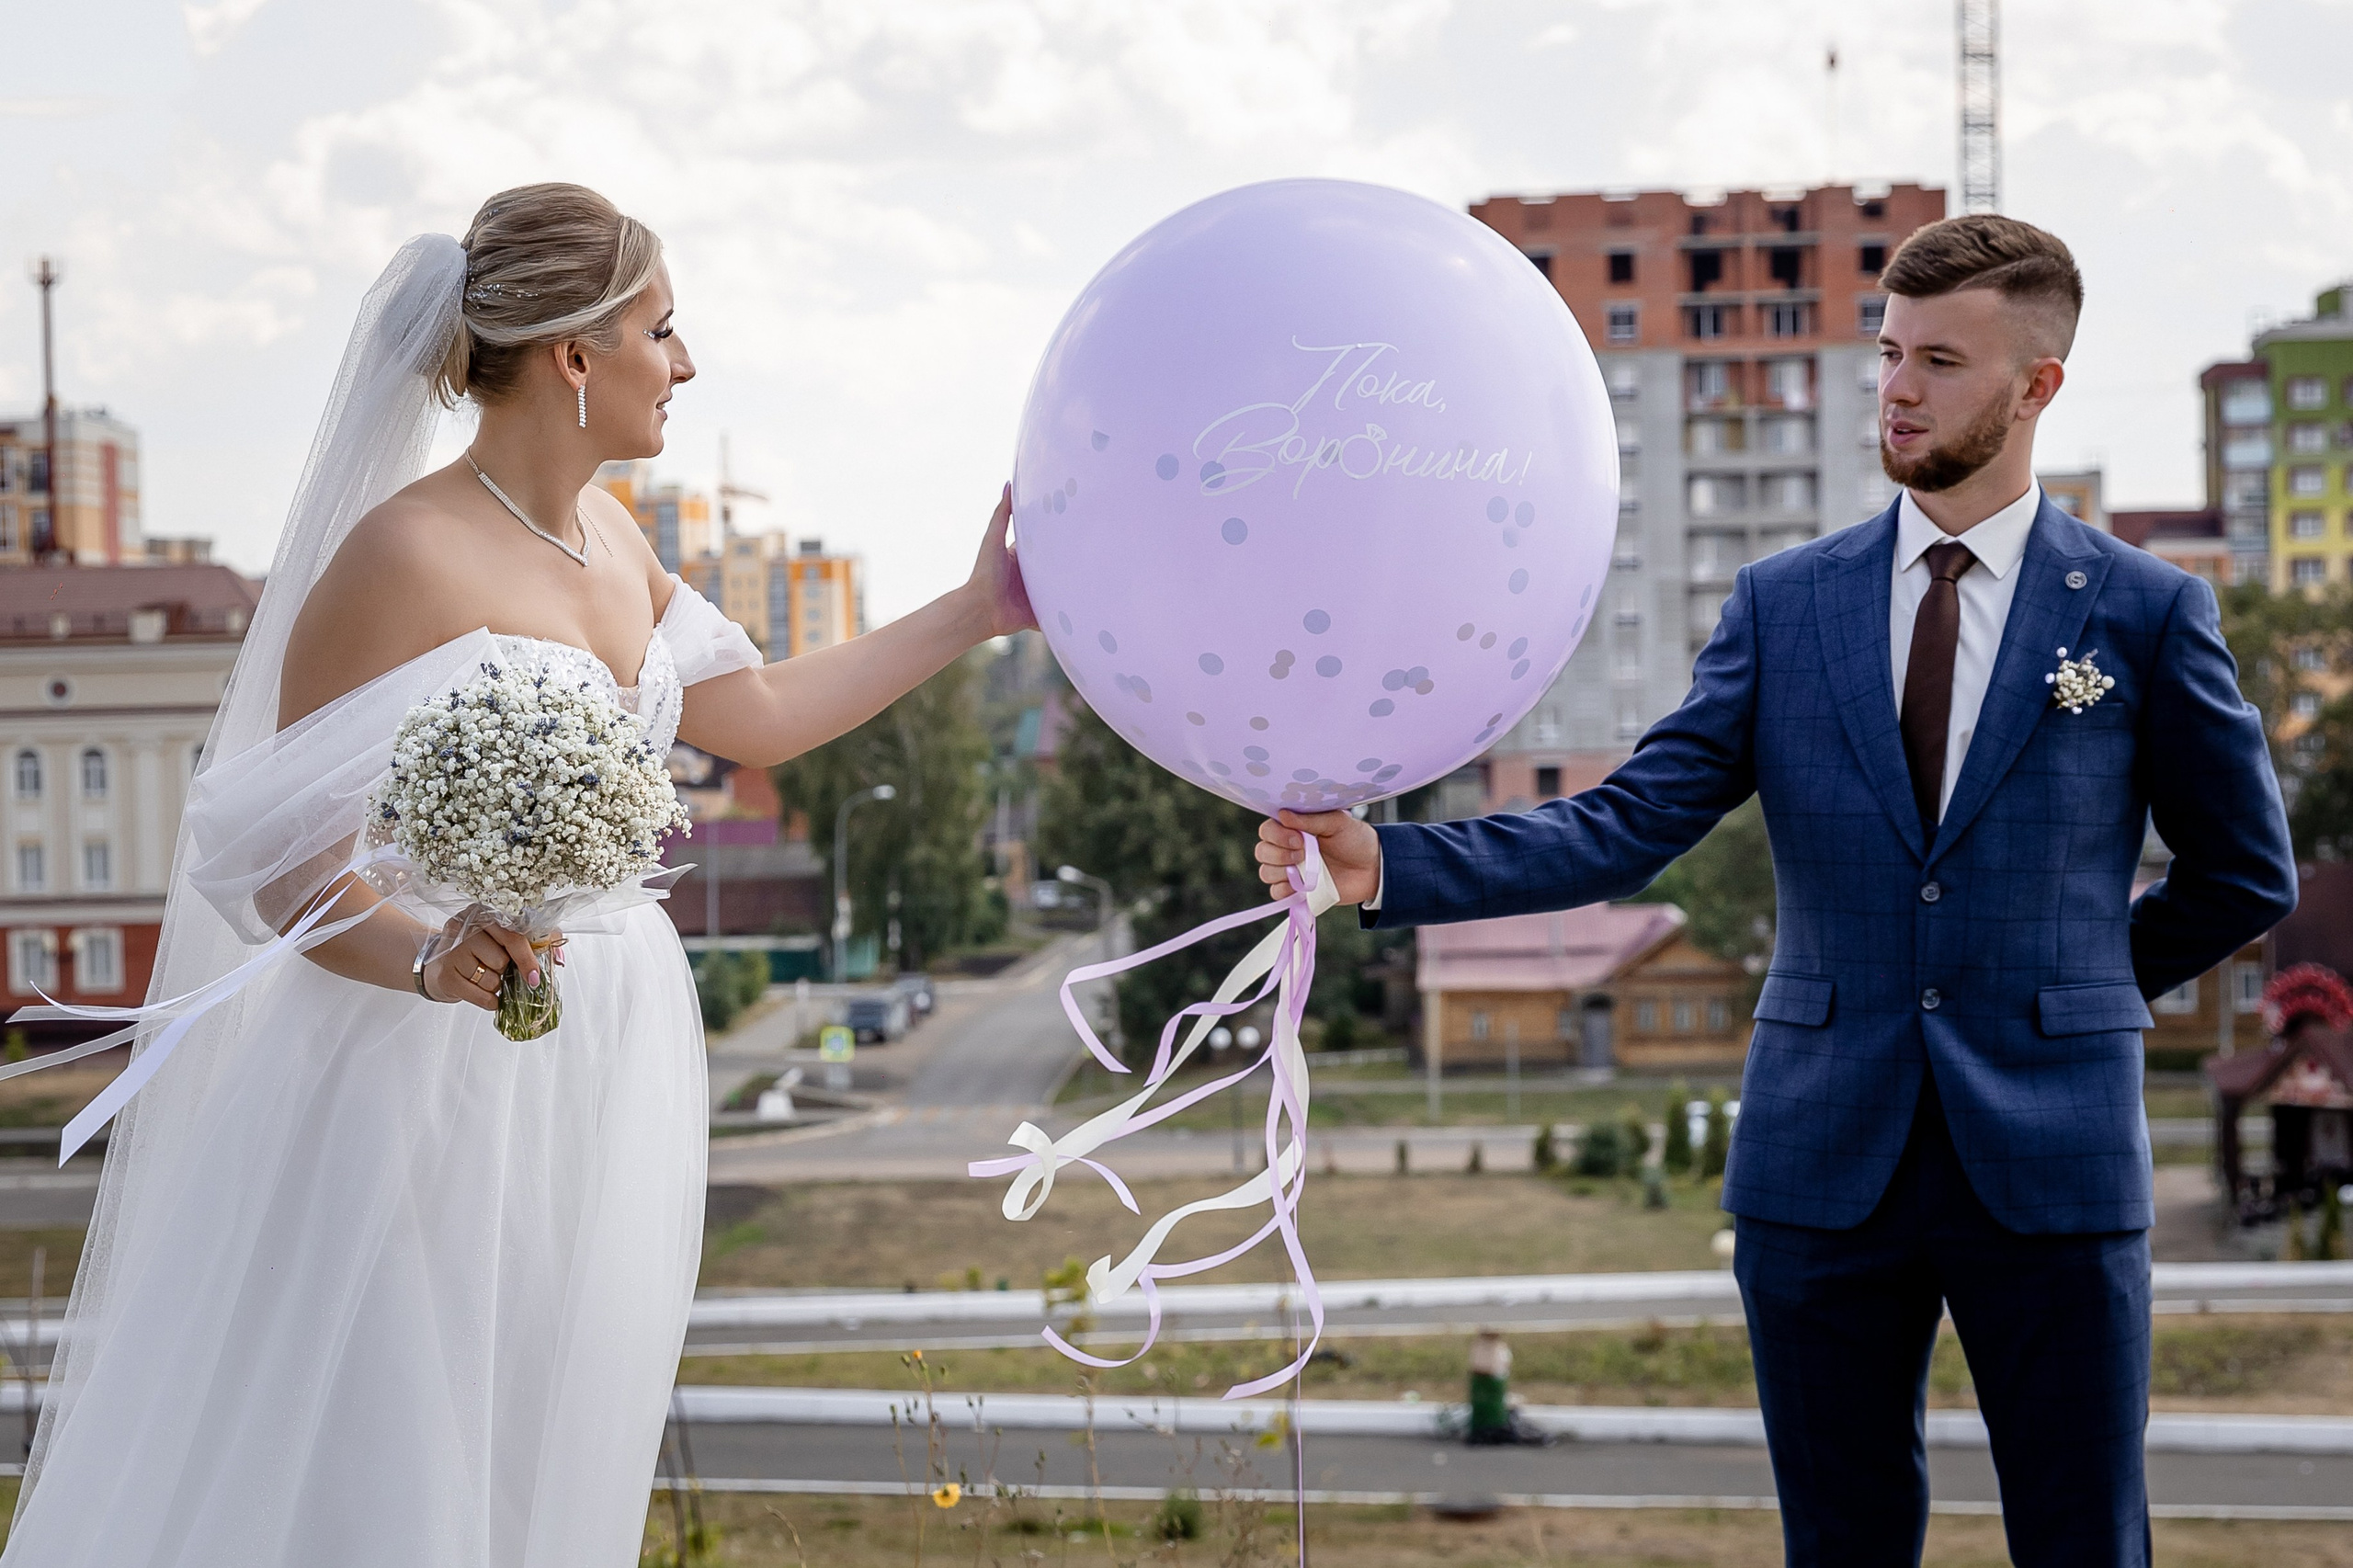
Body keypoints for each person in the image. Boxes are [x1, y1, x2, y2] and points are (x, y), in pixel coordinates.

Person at [4, 183, 1032, 1566]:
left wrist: (976, 611)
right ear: (574, 356)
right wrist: (431, 956)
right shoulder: (401, 555)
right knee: (398, 1458)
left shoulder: (615, 538)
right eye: (663, 331)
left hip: (603, 1062)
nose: (684, 364)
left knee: (550, 1441)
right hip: (424, 1079)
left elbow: (764, 713)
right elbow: (277, 863)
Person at [1256, 214, 2295, 1567]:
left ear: (2038, 384)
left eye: (1941, 359)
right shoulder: (1783, 603)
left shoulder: (2148, 614)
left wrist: (2082, 991)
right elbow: (1630, 822)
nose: (1900, 389)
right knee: (1839, 1542)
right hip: (1820, 1159)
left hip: (2053, 1157)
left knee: (2085, 1538)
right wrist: (1388, 858)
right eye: (1888, 354)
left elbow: (2244, 871)